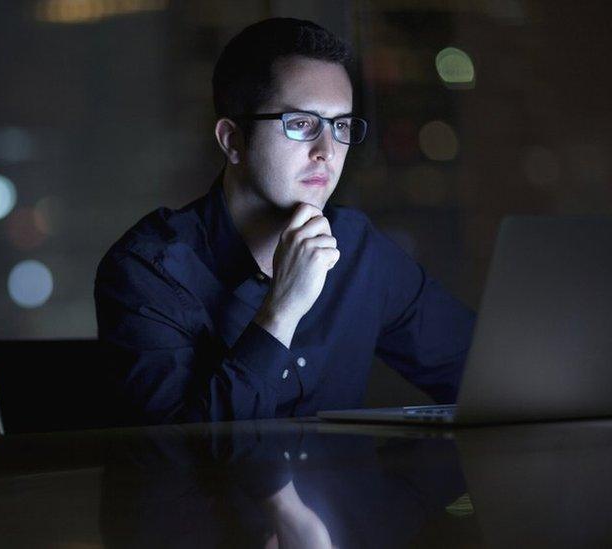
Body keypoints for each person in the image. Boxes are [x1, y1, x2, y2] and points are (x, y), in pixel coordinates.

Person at [94, 17, 475, 425]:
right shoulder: (149, 271)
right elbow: (183, 460)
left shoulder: (357, 247)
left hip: (348, 487)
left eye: (341, 125)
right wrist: (283, 309)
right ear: (233, 140)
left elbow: (478, 372)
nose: (327, 150)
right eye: (300, 124)